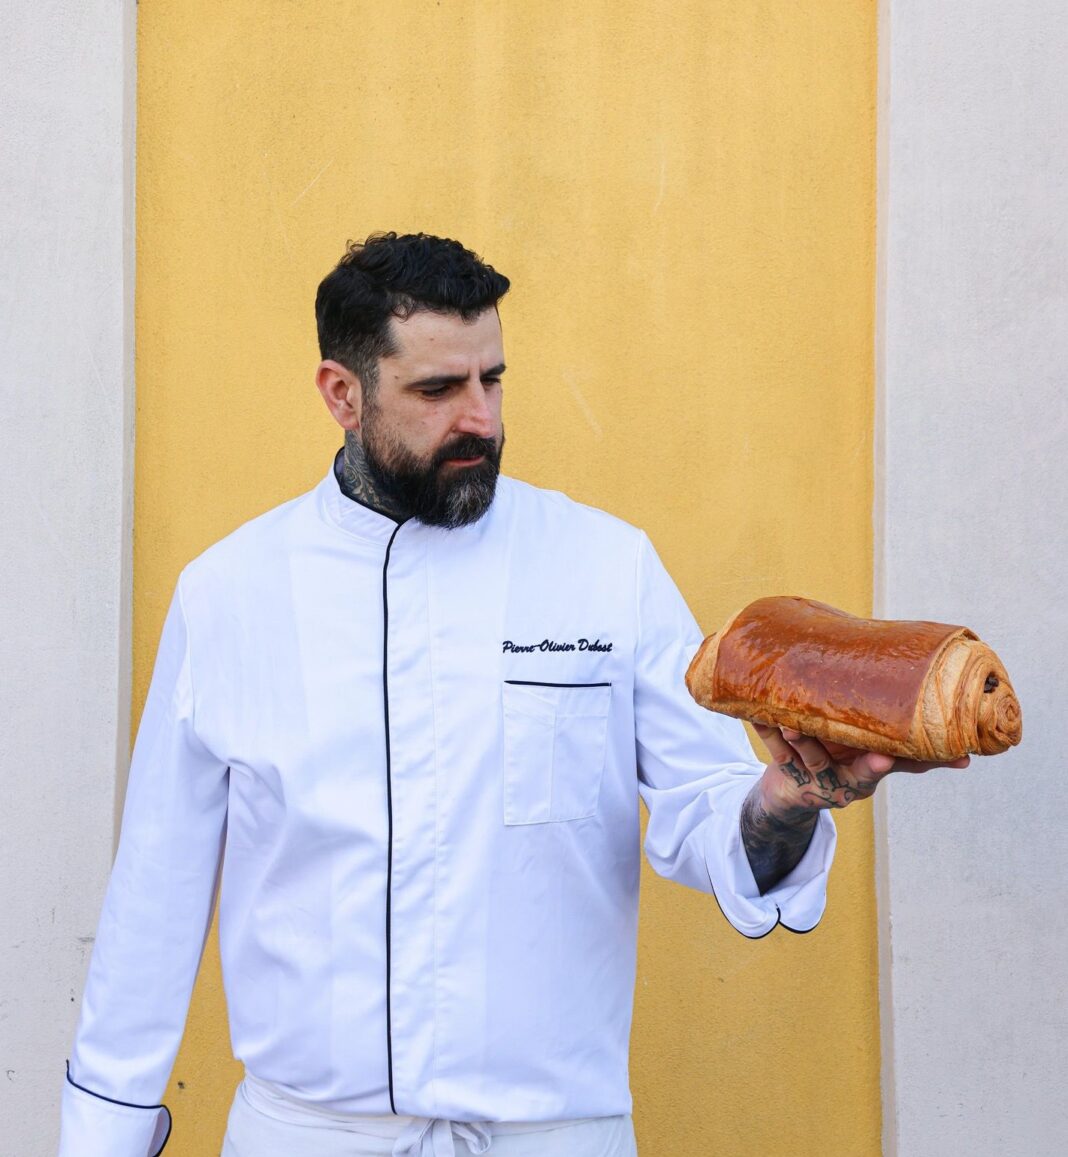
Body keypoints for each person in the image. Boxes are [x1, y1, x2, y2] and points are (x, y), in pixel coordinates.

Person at [58, 233, 968, 1157]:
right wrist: (102, 1135)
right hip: (312, 1135)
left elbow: (707, 810)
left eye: (492, 379)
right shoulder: (229, 594)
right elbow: (157, 893)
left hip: (555, 1134)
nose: (481, 418)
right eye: (438, 390)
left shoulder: (605, 565)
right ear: (342, 394)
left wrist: (788, 800)